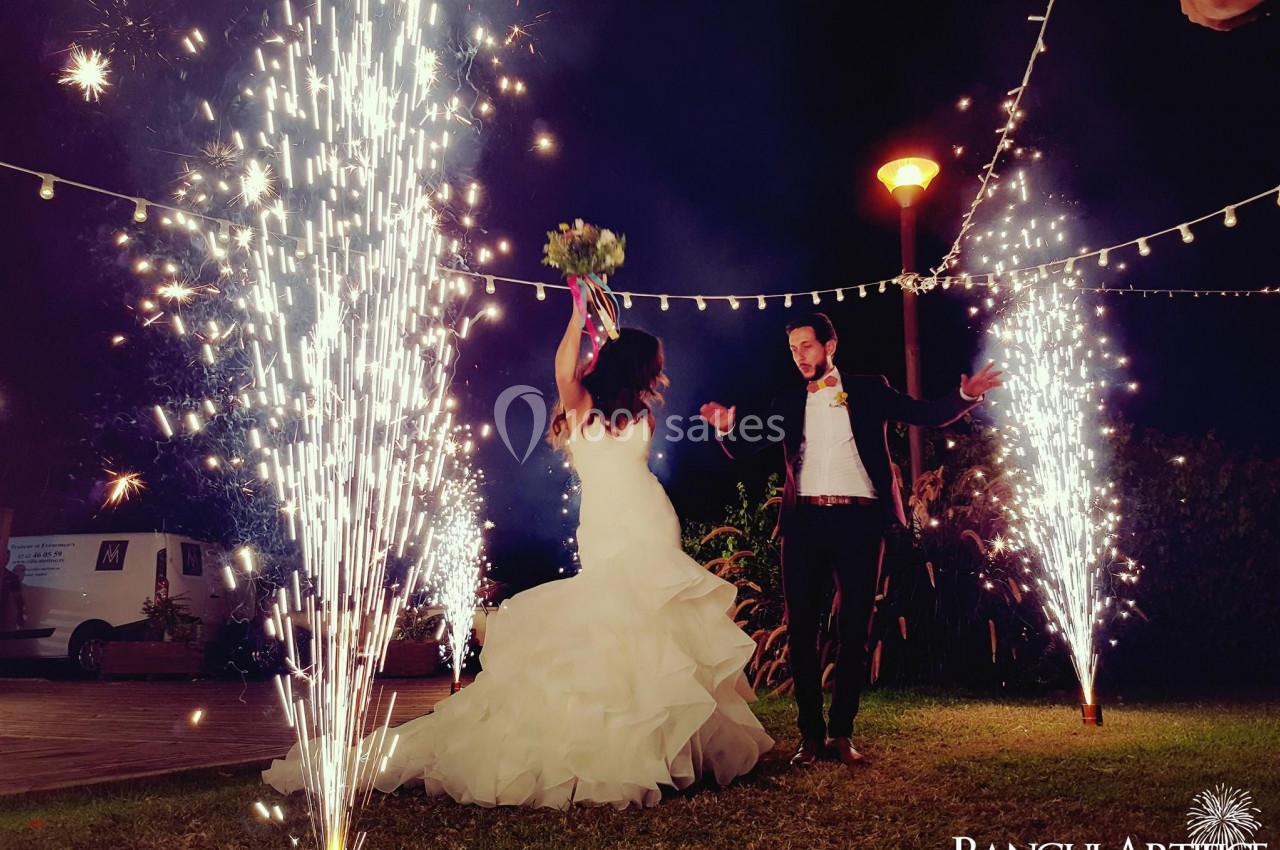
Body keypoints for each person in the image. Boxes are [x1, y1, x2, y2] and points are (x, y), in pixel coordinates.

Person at [264, 301, 772, 808]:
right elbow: (563, 368)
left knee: (657, 626)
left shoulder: (642, 416)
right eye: (654, 365)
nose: (660, 374)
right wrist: (579, 312)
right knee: (615, 620)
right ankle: (616, 749)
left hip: (653, 520)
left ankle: (663, 746)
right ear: (637, 366)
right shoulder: (581, 404)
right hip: (608, 527)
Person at [700, 312, 1002, 769]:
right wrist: (725, 428)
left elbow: (923, 413)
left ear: (830, 346)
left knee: (853, 631)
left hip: (859, 524)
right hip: (803, 527)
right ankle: (809, 738)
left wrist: (965, 395)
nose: (800, 356)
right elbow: (746, 446)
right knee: (801, 632)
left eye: (807, 346)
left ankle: (841, 733)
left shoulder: (868, 389)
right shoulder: (786, 401)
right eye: (793, 348)